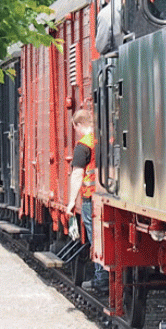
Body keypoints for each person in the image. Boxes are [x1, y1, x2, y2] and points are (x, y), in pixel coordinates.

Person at [64, 109, 105, 292]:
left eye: (76, 129)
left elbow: (77, 174)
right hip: (109, 196)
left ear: (79, 125)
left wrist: (72, 201)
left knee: (96, 238)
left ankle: (101, 278)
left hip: (91, 198)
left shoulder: (83, 145)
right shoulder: (105, 138)